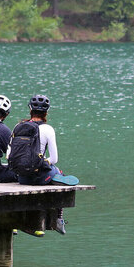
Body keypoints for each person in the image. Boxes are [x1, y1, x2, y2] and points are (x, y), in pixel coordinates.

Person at [13, 94, 79, 235]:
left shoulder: (18, 126)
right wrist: (45, 162)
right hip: (39, 177)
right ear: (47, 112)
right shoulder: (48, 129)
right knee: (58, 172)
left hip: (21, 177)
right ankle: (59, 220)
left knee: (47, 172)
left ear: (30, 109)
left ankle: (15, 222)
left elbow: (9, 154)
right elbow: (54, 158)